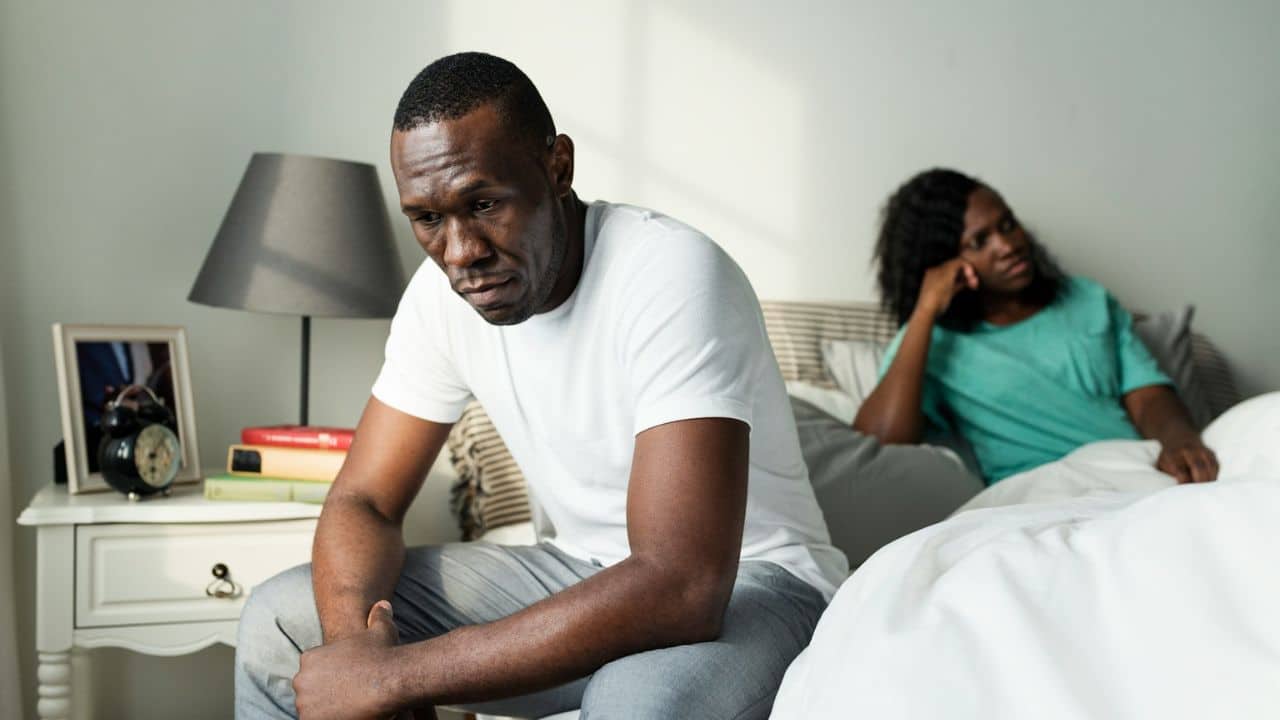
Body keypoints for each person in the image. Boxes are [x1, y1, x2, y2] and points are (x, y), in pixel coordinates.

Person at [235, 52, 846, 720]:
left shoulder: (671, 273)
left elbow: (683, 585)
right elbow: (365, 501)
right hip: (576, 568)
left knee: (634, 702)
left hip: (756, 586)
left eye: (484, 203)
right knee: (282, 623)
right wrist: (357, 652)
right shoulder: (439, 300)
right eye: (427, 219)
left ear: (557, 167)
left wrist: (398, 676)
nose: (461, 251)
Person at [853, 168, 1219, 485]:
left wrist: (1181, 441)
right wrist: (926, 308)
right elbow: (879, 442)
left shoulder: (1086, 298)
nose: (1009, 245)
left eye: (1008, 225)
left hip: (1135, 470)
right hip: (1043, 492)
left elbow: (1148, 396)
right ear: (945, 264)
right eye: (980, 242)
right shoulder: (933, 343)